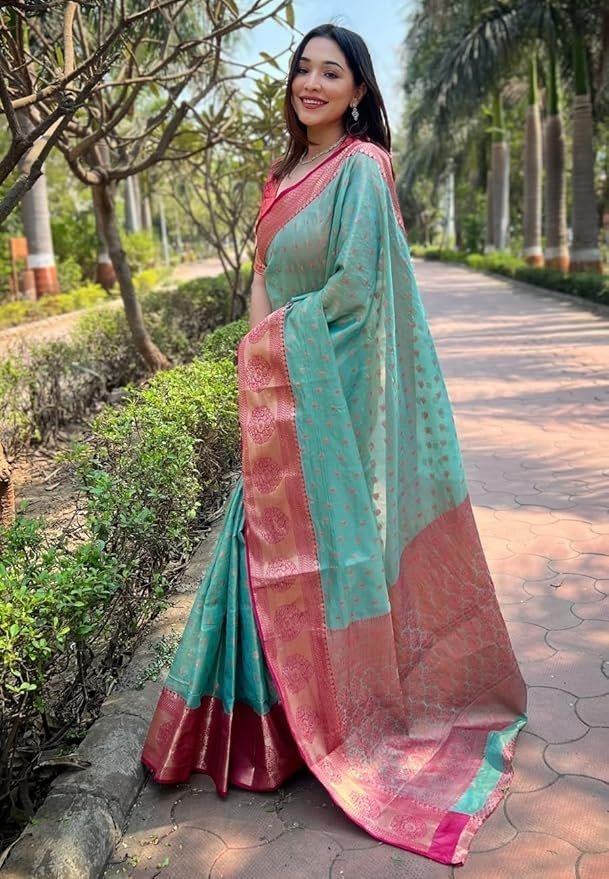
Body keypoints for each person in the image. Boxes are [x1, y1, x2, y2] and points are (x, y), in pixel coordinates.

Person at [142, 23, 527, 866]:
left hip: (331, 389)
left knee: (326, 549)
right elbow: (261, 274)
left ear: (356, 91)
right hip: (278, 385)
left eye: (331, 72)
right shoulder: (281, 174)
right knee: (260, 543)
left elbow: (354, 290)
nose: (311, 83)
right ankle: (265, 731)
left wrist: (281, 357)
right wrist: (259, 361)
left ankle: (343, 716)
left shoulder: (361, 168)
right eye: (302, 69)